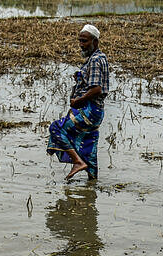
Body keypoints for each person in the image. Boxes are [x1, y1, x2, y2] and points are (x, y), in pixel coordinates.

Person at [47, 24, 109, 180]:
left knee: (56, 128)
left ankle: (77, 161)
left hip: (89, 110)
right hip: (97, 112)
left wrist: (78, 100)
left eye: (85, 41)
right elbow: (93, 83)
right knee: (90, 150)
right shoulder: (100, 58)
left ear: (95, 41)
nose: (81, 44)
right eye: (80, 41)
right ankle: (91, 187)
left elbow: (96, 89)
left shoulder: (94, 61)